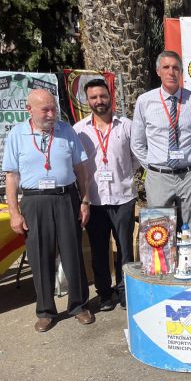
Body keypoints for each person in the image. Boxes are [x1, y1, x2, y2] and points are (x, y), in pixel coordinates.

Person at [3, 89, 94, 332]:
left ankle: (79, 305)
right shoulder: (17, 135)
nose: (52, 113)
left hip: (66, 198)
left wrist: (84, 201)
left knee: (72, 253)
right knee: (40, 256)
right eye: (45, 109)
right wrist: (14, 212)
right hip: (34, 202)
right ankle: (45, 310)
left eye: (53, 108)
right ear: (29, 109)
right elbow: (11, 176)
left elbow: (80, 170)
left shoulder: (66, 131)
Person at [131, 51, 191, 248]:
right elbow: (137, 142)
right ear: (158, 71)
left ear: (181, 72)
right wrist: (153, 165)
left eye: (176, 68)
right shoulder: (145, 101)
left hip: (189, 174)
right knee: (159, 230)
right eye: (166, 67)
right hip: (158, 176)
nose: (171, 72)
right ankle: (163, 272)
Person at [73, 79, 139, 310]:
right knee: (99, 250)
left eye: (102, 96)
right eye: (93, 97)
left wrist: (124, 175)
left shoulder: (127, 126)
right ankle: (104, 294)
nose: (99, 101)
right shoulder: (79, 131)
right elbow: (77, 166)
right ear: (87, 100)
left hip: (123, 197)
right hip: (95, 200)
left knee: (125, 249)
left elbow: (136, 157)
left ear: (110, 96)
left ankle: (124, 292)